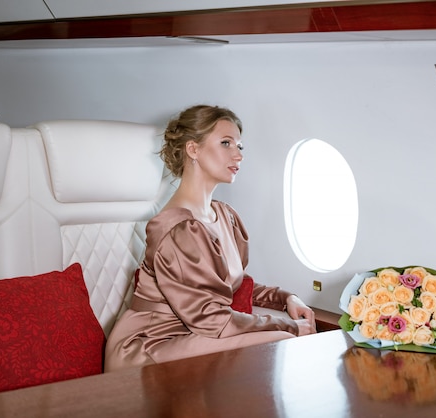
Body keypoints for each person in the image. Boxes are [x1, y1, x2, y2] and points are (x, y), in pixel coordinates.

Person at [104, 105, 316, 372]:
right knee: (282, 340)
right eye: (226, 143)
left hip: (195, 333)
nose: (238, 155)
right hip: (152, 343)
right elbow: (211, 319)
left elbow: (232, 286)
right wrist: (288, 325)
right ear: (193, 150)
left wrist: (285, 299)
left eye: (240, 146)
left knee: (282, 341)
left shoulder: (224, 216)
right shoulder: (175, 228)